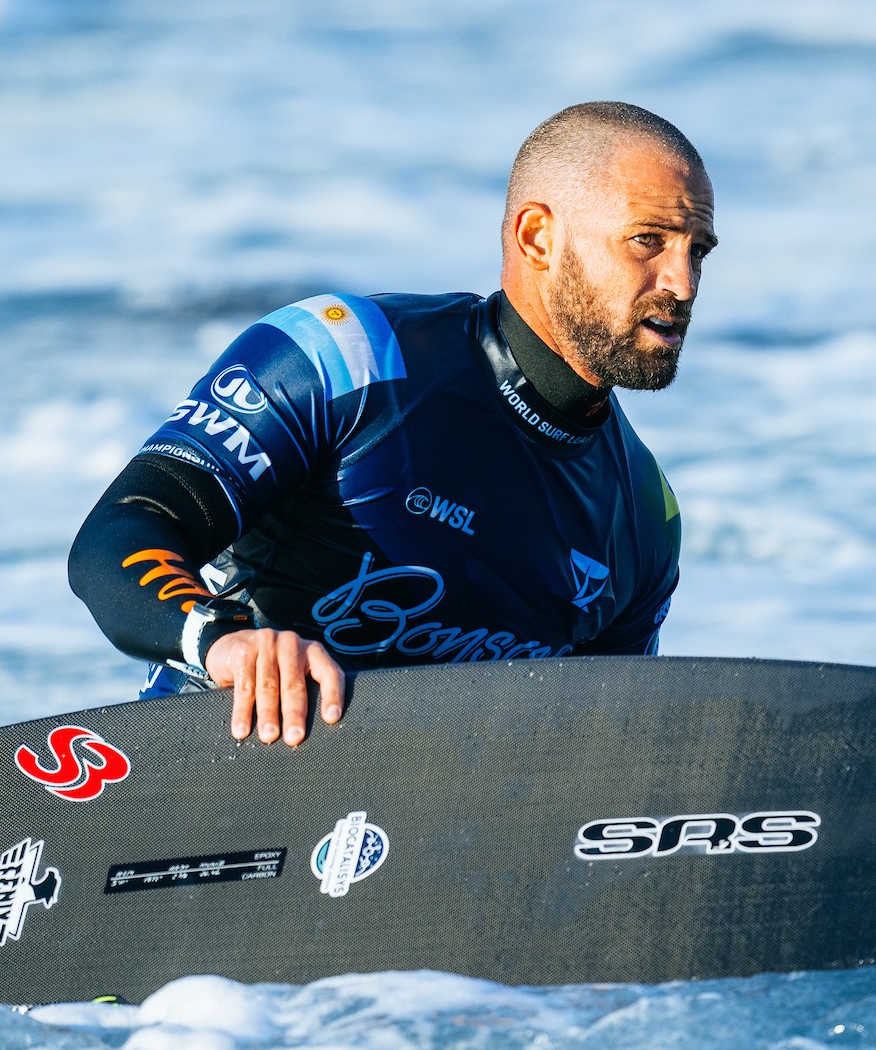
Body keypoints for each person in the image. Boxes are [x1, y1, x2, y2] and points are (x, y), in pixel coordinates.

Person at [68, 101, 713, 745]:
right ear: (538, 237)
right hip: (216, 772)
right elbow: (117, 534)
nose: (683, 284)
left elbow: (604, 755)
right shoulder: (347, 358)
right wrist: (224, 640)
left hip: (442, 801)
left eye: (698, 252)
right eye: (648, 240)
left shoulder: (644, 517)